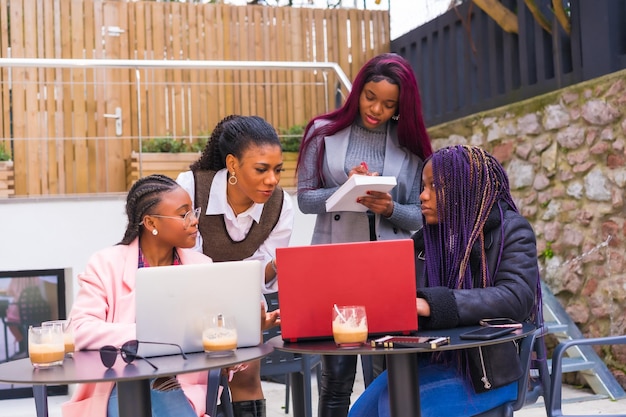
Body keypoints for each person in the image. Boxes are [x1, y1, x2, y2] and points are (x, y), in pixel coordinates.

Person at [348, 145, 543, 417]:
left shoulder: (511, 230)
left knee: (394, 407)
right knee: (359, 414)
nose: (422, 196)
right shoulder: (428, 238)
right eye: (423, 186)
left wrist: (432, 304)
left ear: (463, 188)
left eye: (434, 187)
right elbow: (393, 287)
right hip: (430, 361)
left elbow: (515, 297)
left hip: (491, 371)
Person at [296, 52, 432, 417]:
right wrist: (351, 187)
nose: (376, 109)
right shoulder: (322, 132)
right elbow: (306, 200)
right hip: (333, 262)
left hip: (388, 268)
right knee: (336, 376)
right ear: (357, 91)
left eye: (389, 104)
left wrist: (389, 208)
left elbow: (421, 216)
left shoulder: (410, 148)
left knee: (385, 376)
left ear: (401, 107)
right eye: (370, 97)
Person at [61, 174, 214, 417]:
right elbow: (79, 329)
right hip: (120, 385)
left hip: (182, 387)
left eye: (193, 211)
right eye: (183, 214)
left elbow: (215, 335)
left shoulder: (202, 266)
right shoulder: (106, 264)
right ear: (151, 223)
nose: (194, 221)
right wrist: (149, 336)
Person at [177, 114, 293, 417]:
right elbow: (186, 258)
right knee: (193, 384)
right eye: (261, 169)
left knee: (246, 375)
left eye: (278, 170)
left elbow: (262, 274)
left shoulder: (281, 205)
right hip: (188, 298)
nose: (272, 180)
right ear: (232, 164)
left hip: (241, 301)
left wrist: (277, 266)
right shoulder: (190, 188)